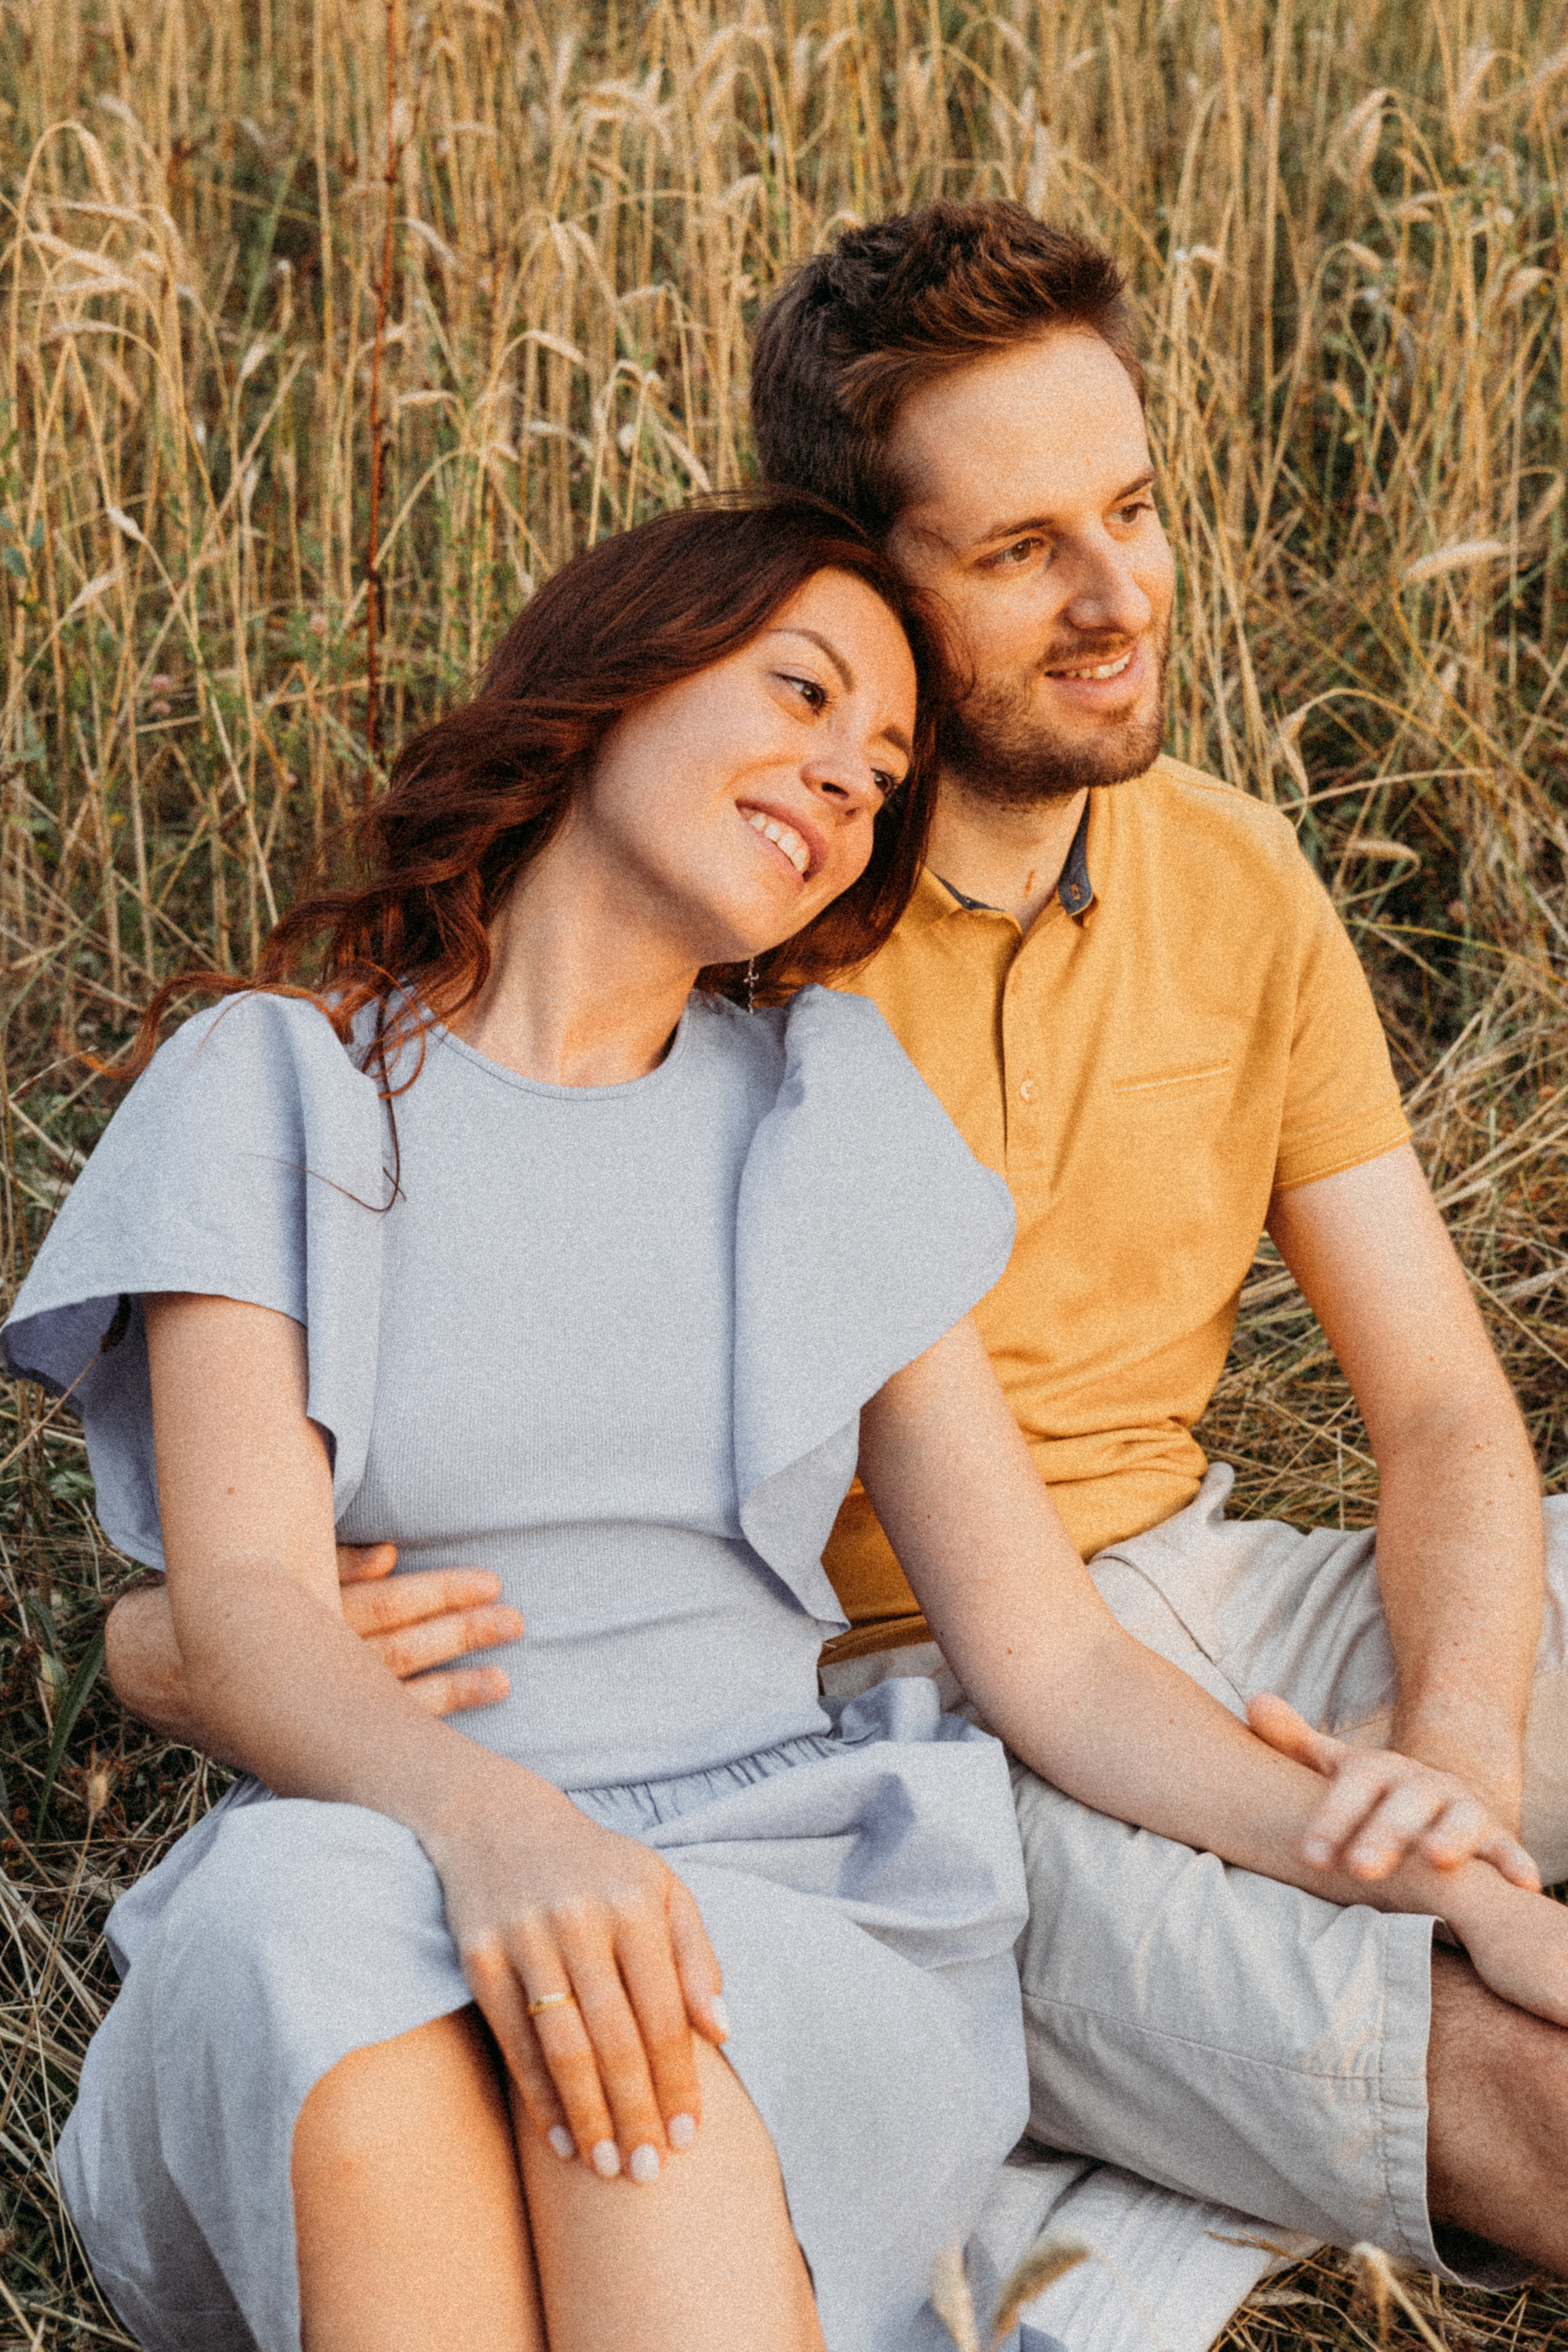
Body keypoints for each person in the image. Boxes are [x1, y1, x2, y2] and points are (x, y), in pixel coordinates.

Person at [99, 209, 1568, 2297]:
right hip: (778, 1731)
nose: (1115, 594)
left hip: (1041, 1688)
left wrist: (1443, 1817)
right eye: (1011, 554)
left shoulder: (1053, 975)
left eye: (1134, 514)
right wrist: (216, 1660)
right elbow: (249, 1590)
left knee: (645, 2059)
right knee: (359, 1988)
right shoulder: (505, 1035)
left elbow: (1339, 1469)